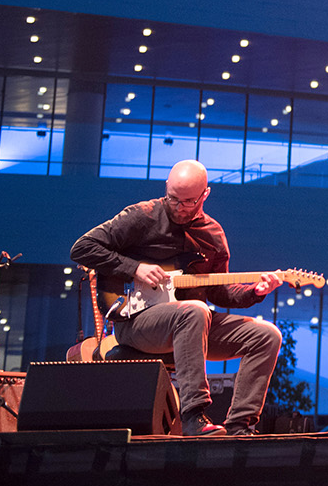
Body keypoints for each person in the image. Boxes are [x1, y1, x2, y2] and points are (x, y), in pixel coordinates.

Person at [71, 159, 284, 437]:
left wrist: (255, 292)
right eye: (173, 198)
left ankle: (240, 426)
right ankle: (193, 416)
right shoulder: (142, 216)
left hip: (192, 327)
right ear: (166, 188)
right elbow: (82, 248)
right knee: (194, 311)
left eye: (188, 201)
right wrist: (135, 268)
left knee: (267, 335)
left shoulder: (213, 235)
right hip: (136, 322)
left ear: (205, 195)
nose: (179, 207)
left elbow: (219, 292)